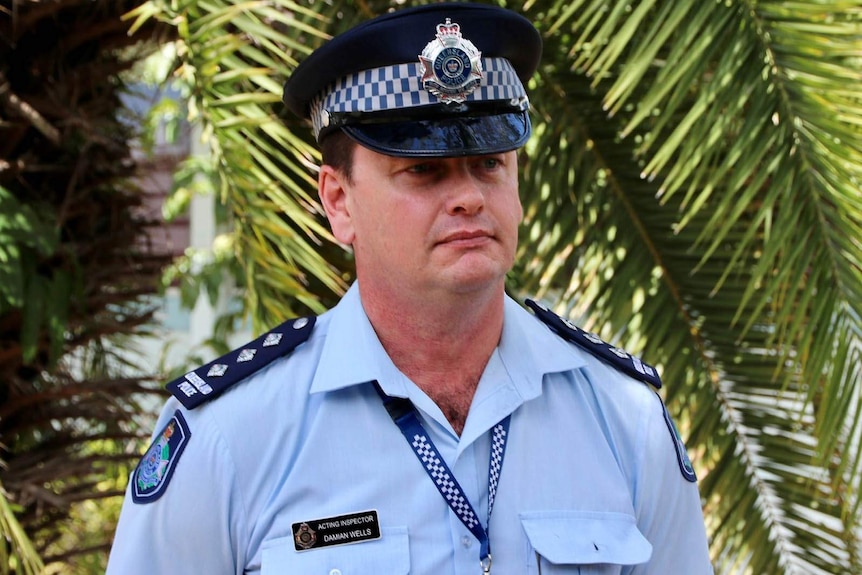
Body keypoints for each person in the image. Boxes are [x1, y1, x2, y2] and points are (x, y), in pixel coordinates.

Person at [106, 3, 713, 573]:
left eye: (491, 163)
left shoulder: (622, 417)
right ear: (339, 202)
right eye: (423, 170)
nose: (471, 196)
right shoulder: (231, 435)